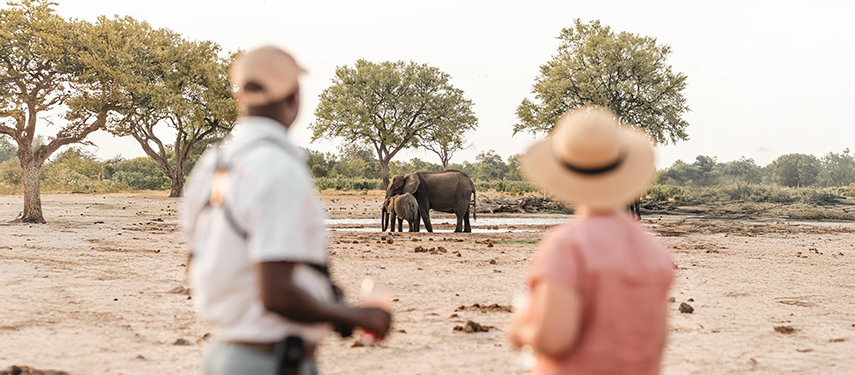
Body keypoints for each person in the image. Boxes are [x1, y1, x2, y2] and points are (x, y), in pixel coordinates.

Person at [182, 46, 391, 375]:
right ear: (294, 97)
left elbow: (196, 262)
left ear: (240, 96)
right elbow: (276, 294)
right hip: (271, 361)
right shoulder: (278, 168)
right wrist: (356, 316)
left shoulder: (211, 166)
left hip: (222, 353)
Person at [508, 106, 674, 375]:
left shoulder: (567, 244)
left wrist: (520, 330)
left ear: (561, 170)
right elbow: (658, 343)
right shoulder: (654, 249)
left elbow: (554, 340)